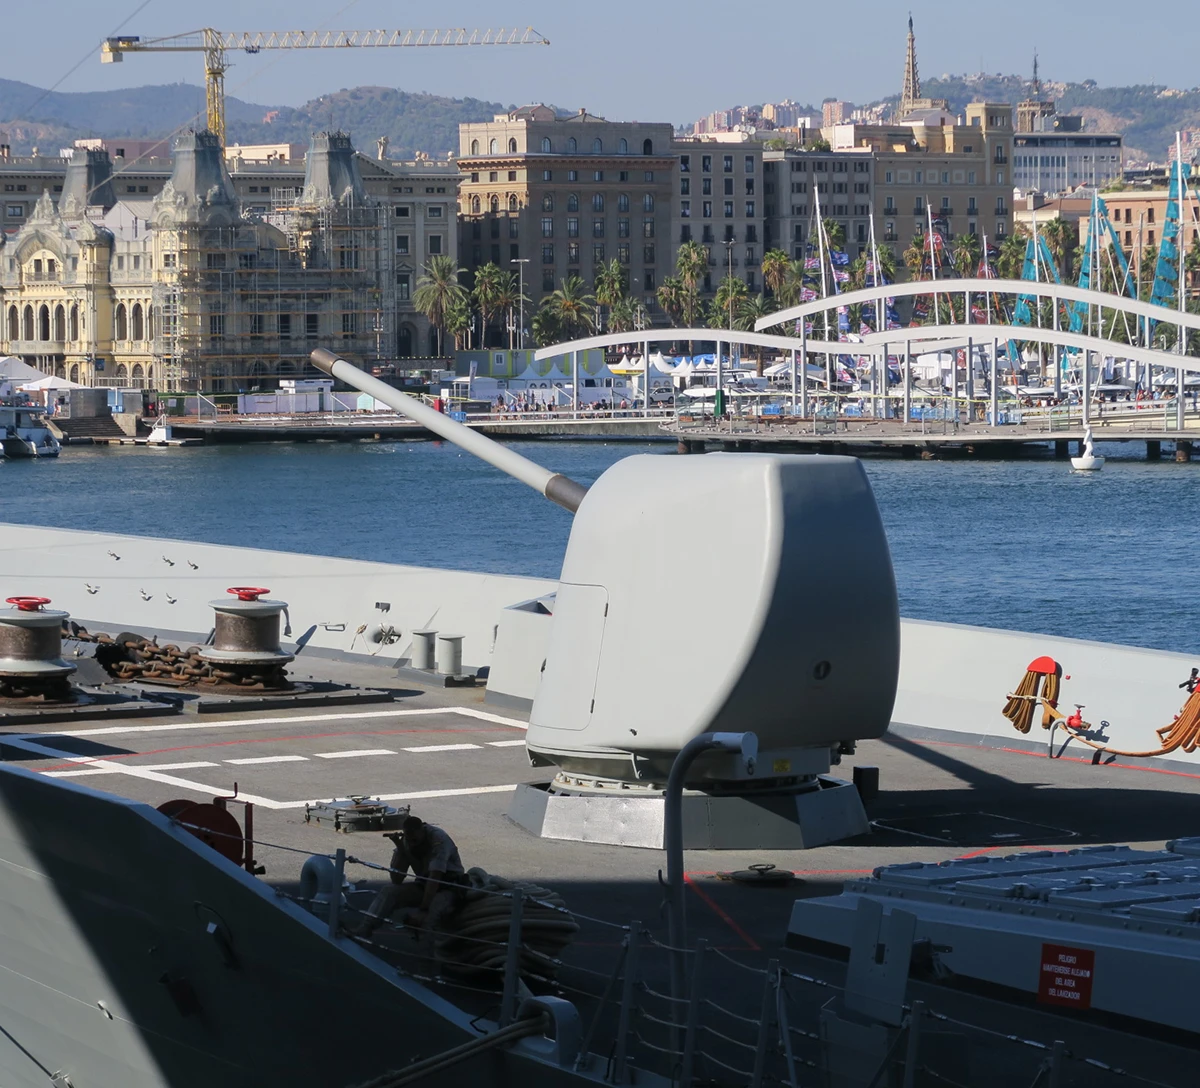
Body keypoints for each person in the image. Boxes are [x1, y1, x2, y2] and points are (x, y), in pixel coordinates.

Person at [351, 815, 467, 948]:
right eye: (409, 839)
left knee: (431, 914)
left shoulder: (438, 840)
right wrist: (401, 849)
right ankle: (363, 931)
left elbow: (434, 878)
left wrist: (423, 910)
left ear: (422, 831)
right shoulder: (407, 841)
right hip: (425, 884)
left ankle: (427, 959)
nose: (411, 843)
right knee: (389, 892)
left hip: (449, 886)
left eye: (414, 840)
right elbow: (396, 879)